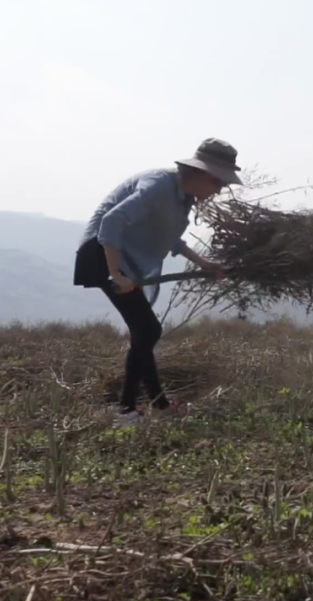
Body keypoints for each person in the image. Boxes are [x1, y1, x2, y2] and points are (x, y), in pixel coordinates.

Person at [74, 138, 243, 427]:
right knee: (148, 330)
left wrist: (206, 265)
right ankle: (126, 411)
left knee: (145, 332)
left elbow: (169, 237)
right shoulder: (159, 185)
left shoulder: (183, 197)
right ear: (202, 174)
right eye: (218, 184)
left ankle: (159, 404)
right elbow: (112, 222)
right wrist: (117, 274)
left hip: (126, 262)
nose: (218, 191)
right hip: (103, 255)